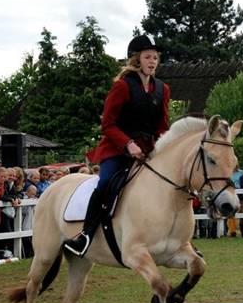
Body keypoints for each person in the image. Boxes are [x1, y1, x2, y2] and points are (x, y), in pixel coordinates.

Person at [64, 34, 170, 256]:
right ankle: (85, 235)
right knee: (104, 184)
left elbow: (162, 126)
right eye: (148, 57)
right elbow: (108, 125)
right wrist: (128, 144)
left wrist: (167, 147)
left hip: (148, 150)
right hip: (117, 148)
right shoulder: (122, 86)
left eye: (155, 58)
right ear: (136, 60)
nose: (152, 61)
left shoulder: (162, 89)